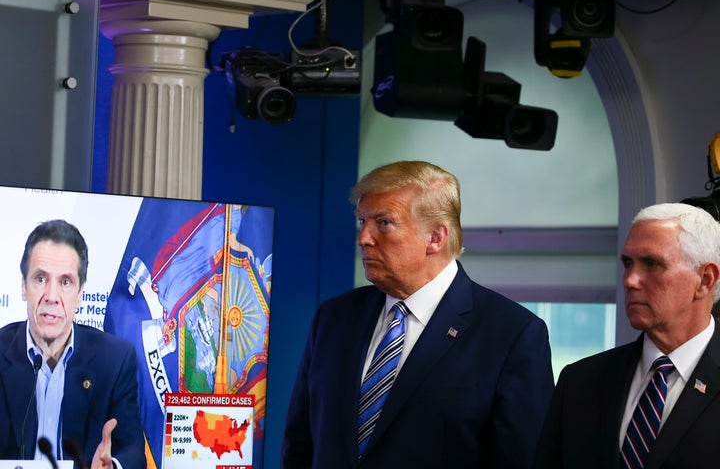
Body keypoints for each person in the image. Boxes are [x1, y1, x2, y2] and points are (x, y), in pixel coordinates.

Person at [282, 160, 555, 468]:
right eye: (362, 221)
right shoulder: (334, 318)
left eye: (384, 223)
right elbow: (300, 444)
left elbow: (524, 460)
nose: (364, 238)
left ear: (436, 238)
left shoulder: (511, 334)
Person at [533, 202, 720, 468]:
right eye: (628, 264)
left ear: (705, 279)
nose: (630, 280)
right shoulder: (579, 383)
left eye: (652, 264)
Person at [0, 219, 145, 468]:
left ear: (79, 295)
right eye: (40, 279)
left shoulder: (115, 360)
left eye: (65, 282)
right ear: (24, 286)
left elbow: (133, 452)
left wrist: (113, 466)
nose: (52, 297)